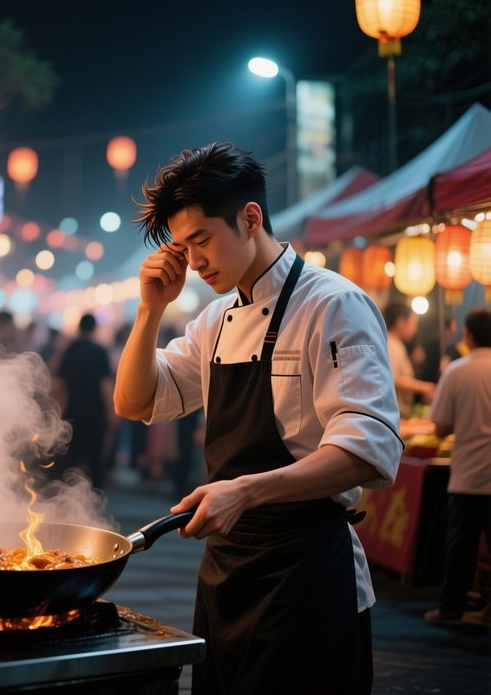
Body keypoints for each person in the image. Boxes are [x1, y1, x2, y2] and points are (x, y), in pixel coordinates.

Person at [113, 142, 403, 695]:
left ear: (250, 218)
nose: (194, 262)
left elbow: (367, 450)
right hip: (227, 574)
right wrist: (150, 308)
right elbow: (135, 401)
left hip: (309, 576)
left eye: (202, 240)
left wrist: (243, 492)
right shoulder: (215, 319)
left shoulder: (332, 304)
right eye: (183, 247)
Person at [424, 308, 491, 626]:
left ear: (467, 335)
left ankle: (451, 608)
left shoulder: (457, 370)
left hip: (468, 475)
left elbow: (439, 428)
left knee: (461, 546)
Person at [53, 313, 115, 489]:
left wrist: (57, 413)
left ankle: (63, 494)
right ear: (94, 328)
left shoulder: (70, 349)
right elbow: (105, 384)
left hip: (73, 413)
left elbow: (59, 384)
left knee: (70, 457)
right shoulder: (100, 351)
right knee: (94, 458)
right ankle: (94, 496)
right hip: (95, 413)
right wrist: (111, 413)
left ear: (79, 327)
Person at [383, 302, 436, 417]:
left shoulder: (395, 343)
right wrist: (425, 388)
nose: (415, 329)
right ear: (400, 322)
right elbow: (393, 378)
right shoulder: (392, 344)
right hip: (396, 413)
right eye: (414, 323)